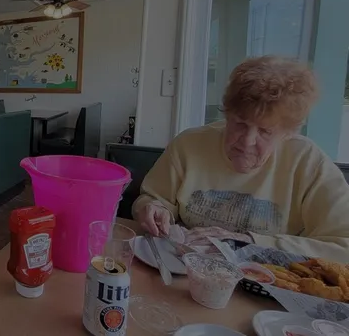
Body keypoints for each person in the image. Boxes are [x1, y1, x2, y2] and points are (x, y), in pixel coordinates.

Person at [133, 56, 349, 261]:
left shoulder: (309, 162)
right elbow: (153, 198)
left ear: (287, 133)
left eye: (265, 131)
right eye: (240, 123)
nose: (247, 141)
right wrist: (153, 208)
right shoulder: (189, 145)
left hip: (265, 278)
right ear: (227, 114)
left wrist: (250, 242)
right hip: (184, 267)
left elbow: (344, 246)